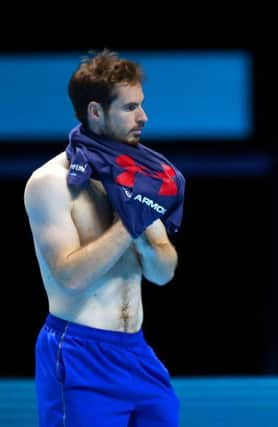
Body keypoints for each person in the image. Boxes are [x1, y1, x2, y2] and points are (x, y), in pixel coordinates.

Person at [24, 49, 185, 426]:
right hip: (78, 353)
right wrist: (128, 223)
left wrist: (145, 230)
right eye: (130, 108)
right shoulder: (50, 183)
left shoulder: (137, 175)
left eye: (141, 105)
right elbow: (72, 277)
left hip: (137, 352)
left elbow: (163, 272)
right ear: (96, 112)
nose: (143, 117)